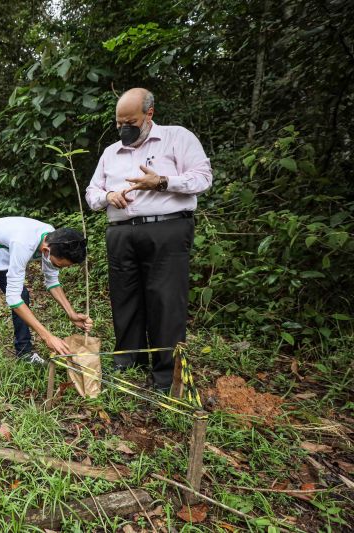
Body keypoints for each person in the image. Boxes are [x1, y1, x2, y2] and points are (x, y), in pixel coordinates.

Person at [86, 88, 212, 392]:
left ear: (149, 114)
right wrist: (108, 196)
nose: (123, 128)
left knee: (165, 300)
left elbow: (203, 178)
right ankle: (128, 359)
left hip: (166, 230)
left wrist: (162, 181)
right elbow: (92, 194)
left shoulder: (177, 138)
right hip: (120, 233)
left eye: (130, 121)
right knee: (124, 296)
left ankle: (165, 373)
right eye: (119, 123)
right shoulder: (110, 153)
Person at [0, 218, 93, 392]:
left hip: (0, 257)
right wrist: (47, 336)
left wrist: (71, 314)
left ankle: (24, 352)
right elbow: (12, 300)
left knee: (23, 294)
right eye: (59, 265)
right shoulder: (24, 243)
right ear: (45, 251)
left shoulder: (53, 238)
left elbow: (51, 281)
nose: (60, 269)